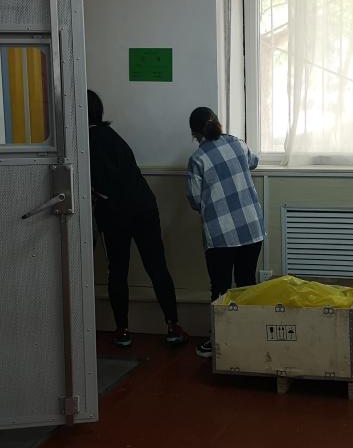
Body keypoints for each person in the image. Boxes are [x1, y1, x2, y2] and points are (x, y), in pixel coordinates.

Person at [88, 90, 187, 348]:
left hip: (115, 213)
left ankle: (122, 330)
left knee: (118, 271)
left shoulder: (87, 141)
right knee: (157, 266)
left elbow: (101, 183)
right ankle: (173, 325)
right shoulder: (112, 135)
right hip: (144, 207)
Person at [185, 106, 265, 358]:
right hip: (251, 227)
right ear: (217, 123)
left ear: (195, 133)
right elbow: (254, 162)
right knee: (246, 282)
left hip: (221, 235)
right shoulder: (237, 144)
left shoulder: (198, 159)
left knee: (220, 288)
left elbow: (194, 199)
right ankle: (249, 338)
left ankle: (219, 340)